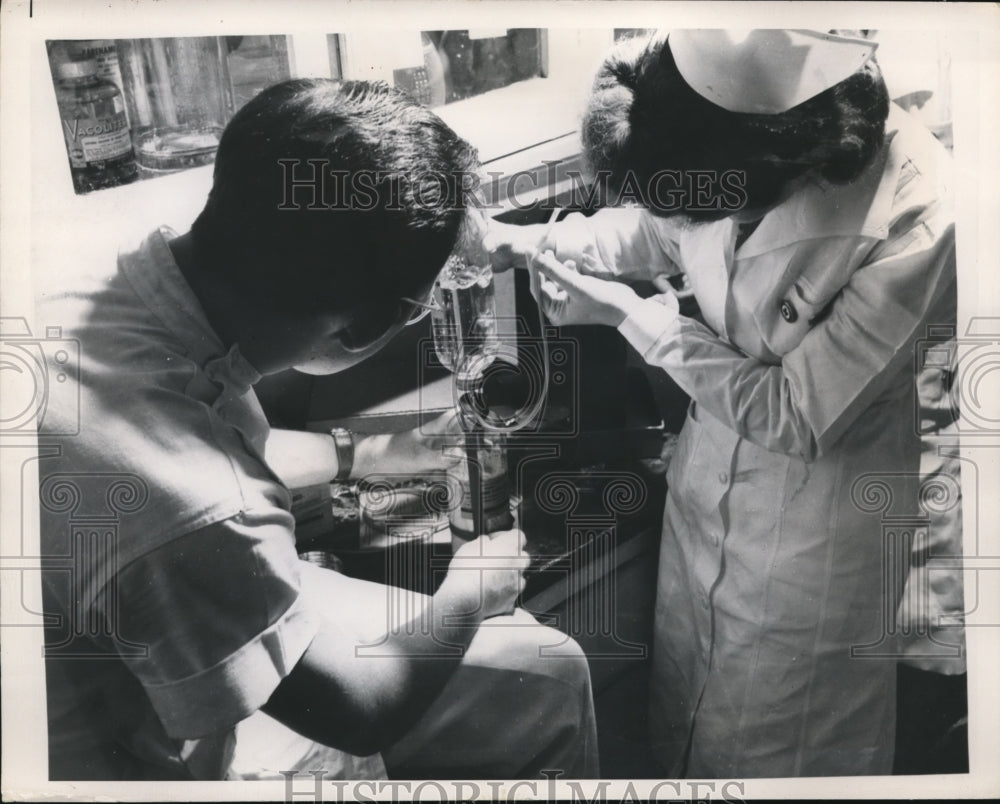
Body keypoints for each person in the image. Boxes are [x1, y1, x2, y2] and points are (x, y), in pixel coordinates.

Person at [37, 78, 597, 781]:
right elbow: (358, 709)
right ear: (366, 327)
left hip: (139, 624)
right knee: (519, 674)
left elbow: (232, 445)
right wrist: (471, 588)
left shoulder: (127, 278)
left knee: (543, 670)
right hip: (119, 757)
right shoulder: (199, 508)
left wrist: (378, 451)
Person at [487, 30, 956, 777]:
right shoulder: (696, 114)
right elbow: (660, 230)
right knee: (686, 726)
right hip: (705, 492)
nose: (705, 225)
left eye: (723, 208)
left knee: (781, 752)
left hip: (817, 532)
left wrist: (627, 316)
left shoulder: (916, 211)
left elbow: (795, 414)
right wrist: (517, 243)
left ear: (780, 166)